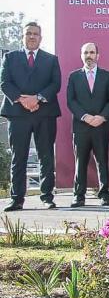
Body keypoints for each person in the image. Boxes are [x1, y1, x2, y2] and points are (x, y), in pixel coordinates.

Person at [1, 22, 61, 211]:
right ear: (23, 36)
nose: (32, 36)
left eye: (36, 34)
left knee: (46, 156)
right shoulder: (10, 57)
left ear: (41, 37)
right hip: (18, 114)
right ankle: (17, 199)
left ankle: (47, 197)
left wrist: (37, 98)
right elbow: (4, 82)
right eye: (28, 33)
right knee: (19, 157)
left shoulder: (51, 59)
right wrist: (22, 100)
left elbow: (55, 84)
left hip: (45, 114)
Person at [66, 42, 109, 207]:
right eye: (86, 52)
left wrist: (102, 117)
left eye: (92, 52)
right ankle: (79, 196)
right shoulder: (74, 76)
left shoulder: (107, 75)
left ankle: (104, 195)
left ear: (97, 55)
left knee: (102, 161)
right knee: (81, 162)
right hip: (81, 126)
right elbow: (71, 101)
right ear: (81, 55)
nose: (89, 55)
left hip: (101, 126)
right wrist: (85, 116)